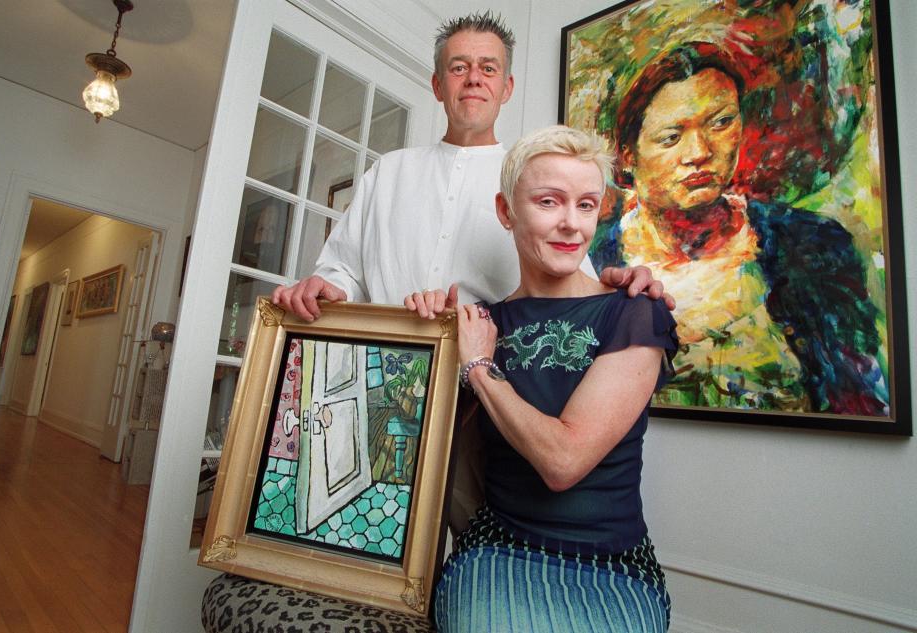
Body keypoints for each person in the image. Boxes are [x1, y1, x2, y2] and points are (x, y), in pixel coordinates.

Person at [429, 125, 677, 632]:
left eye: (586, 205)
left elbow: (563, 461)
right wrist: (421, 332)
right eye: (549, 202)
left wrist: (479, 368)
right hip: (498, 552)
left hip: (613, 569)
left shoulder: (633, 313)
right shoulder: (481, 324)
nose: (571, 225)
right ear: (506, 211)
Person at [271, 11, 671, 322]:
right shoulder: (388, 172)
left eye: (489, 68)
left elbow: (569, 280)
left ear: (506, 88)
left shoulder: (531, 180)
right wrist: (326, 286)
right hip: (381, 371)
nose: (474, 79)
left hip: (488, 383)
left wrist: (618, 285)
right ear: (438, 85)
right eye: (459, 67)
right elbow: (342, 270)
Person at [591, 41, 887, 415]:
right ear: (629, 155)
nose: (699, 151)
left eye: (721, 122)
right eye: (671, 137)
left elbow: (858, 401)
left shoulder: (812, 245)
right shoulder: (593, 259)